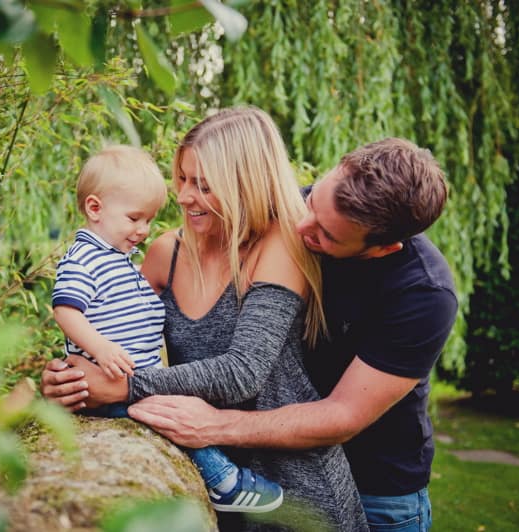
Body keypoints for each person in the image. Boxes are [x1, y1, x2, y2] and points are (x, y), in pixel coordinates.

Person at [100, 137, 458, 531]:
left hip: (380, 486)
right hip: (267, 462)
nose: (301, 226)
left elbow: (342, 415)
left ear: (383, 248)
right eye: (312, 202)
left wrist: (215, 425)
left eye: (327, 235)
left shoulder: (423, 295)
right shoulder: (290, 220)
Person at [45, 108, 368, 531]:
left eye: (203, 185)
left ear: (244, 185)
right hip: (211, 479)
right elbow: (112, 328)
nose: (183, 196)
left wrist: (122, 386)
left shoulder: (280, 245)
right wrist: (70, 379)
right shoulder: (166, 253)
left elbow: (243, 372)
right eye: (181, 178)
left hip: (295, 488)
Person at [51, 144, 285, 515]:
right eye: (134, 218)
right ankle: (223, 481)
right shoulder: (85, 259)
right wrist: (96, 351)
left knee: (171, 416)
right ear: (95, 209)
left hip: (133, 380)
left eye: (148, 220)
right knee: (174, 423)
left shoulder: (118, 259)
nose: (143, 231)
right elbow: (66, 310)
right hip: (119, 383)